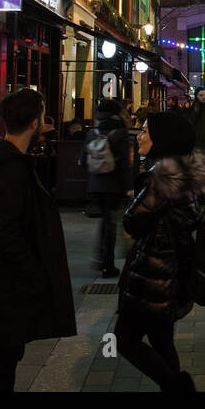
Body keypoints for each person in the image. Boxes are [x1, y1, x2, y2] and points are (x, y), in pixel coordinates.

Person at [0, 88, 77, 392]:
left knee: (4, 356)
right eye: (41, 116)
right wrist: (34, 274)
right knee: (1, 361)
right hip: (9, 285)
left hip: (4, 283)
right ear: (34, 122)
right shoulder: (10, 169)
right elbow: (3, 230)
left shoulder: (4, 158)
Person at [116, 112, 205, 391]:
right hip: (171, 272)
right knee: (161, 339)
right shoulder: (180, 173)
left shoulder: (163, 178)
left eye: (146, 131)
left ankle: (177, 388)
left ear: (163, 139)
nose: (139, 136)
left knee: (125, 339)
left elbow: (132, 220)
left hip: (155, 273)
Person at [86, 98, 133, 279]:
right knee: (111, 223)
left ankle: (100, 257)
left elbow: (83, 158)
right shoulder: (120, 133)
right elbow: (124, 165)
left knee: (105, 221)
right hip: (113, 186)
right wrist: (129, 186)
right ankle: (108, 264)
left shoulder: (93, 132)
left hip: (95, 185)